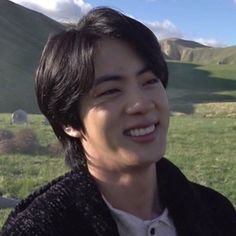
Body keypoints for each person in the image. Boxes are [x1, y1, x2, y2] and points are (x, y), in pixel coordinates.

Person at [1, 7, 236, 236]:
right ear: (68, 122)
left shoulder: (217, 212)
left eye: (149, 81)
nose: (142, 104)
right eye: (111, 91)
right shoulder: (38, 228)